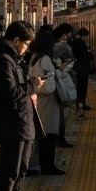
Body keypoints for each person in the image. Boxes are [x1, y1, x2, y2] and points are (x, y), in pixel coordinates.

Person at [0, 21, 40, 191]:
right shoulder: (2, 61)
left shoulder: (13, 60)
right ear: (16, 40)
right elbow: (10, 93)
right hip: (12, 123)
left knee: (21, 169)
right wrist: (32, 86)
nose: (26, 48)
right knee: (10, 170)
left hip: (23, 122)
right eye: (26, 44)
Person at [27, 30, 65, 176]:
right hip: (48, 101)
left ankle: (42, 165)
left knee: (42, 135)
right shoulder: (46, 59)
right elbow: (50, 79)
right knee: (49, 136)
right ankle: (48, 166)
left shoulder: (34, 57)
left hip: (38, 100)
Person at [70, 27, 94, 111]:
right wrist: (90, 55)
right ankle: (82, 103)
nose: (86, 38)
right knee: (82, 86)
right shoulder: (80, 43)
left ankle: (79, 103)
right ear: (83, 35)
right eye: (86, 36)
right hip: (82, 68)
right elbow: (84, 55)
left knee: (79, 86)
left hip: (78, 67)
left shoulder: (75, 42)